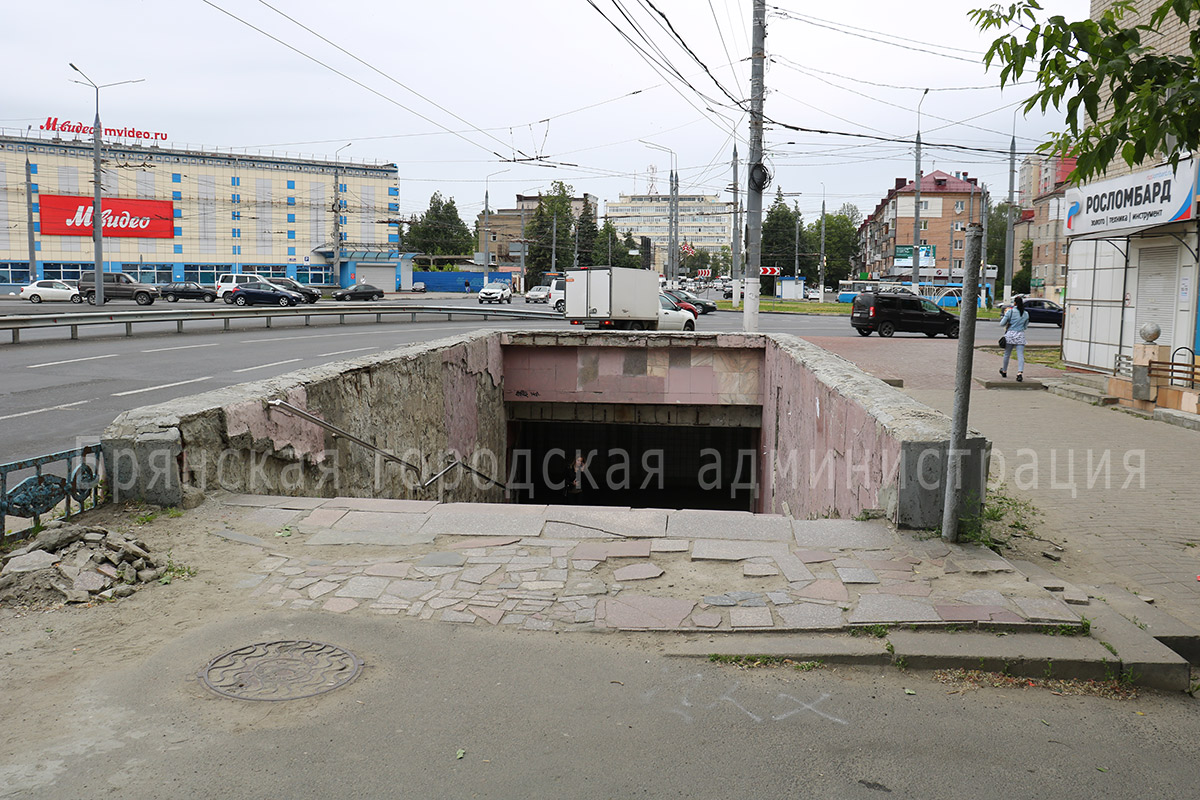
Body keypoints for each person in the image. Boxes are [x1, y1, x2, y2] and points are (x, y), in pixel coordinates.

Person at [999, 295, 1031, 382]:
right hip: (1020, 335)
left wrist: (1005, 317)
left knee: (1007, 354)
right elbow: (1025, 327)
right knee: (1020, 355)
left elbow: (1002, 324)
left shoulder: (1010, 312)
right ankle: (1019, 373)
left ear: (1015, 303)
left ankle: (1004, 370)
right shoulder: (1026, 314)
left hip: (1010, 334)